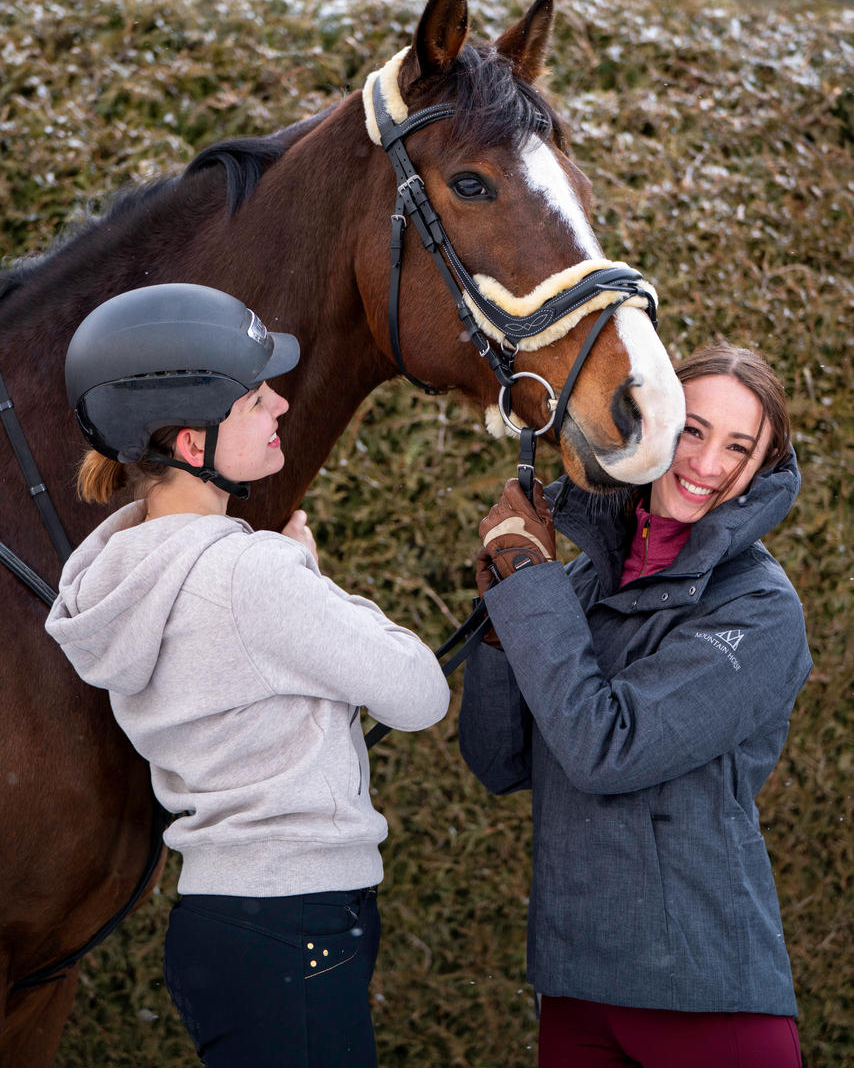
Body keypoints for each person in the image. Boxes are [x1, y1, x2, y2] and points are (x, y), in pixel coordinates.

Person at [45, 282, 450, 1068]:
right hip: (295, 924)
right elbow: (420, 692)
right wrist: (306, 573)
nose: (282, 408)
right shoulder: (252, 577)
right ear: (193, 444)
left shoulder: (121, 574)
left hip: (225, 924)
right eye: (257, 397)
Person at [458, 342, 809, 1068]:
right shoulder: (583, 584)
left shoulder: (759, 609)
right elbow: (499, 761)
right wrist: (505, 615)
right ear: (653, 424)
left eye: (740, 448)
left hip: (707, 999)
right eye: (693, 430)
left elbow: (605, 746)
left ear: (762, 471)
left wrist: (532, 590)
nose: (707, 464)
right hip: (575, 989)